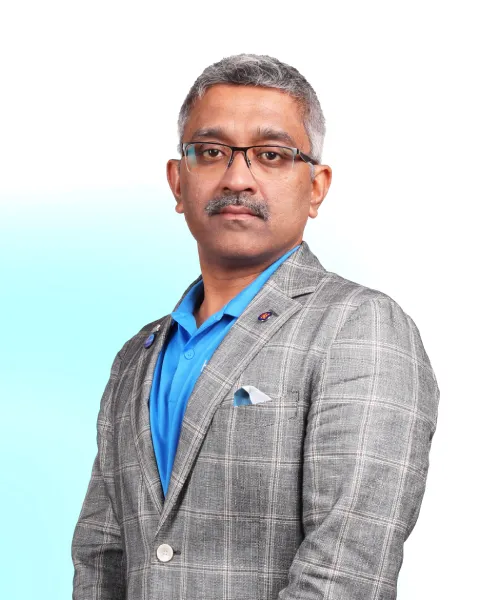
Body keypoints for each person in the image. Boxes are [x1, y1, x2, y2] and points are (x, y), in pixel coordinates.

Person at [72, 53, 440, 600]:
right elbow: (100, 557)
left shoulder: (359, 327)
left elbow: (345, 572)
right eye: (211, 151)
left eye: (271, 155)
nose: (237, 178)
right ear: (177, 182)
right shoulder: (136, 356)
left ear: (316, 187)